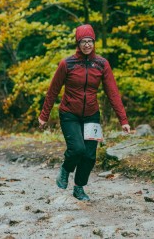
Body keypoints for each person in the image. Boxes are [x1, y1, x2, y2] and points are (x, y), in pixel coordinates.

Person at [38, 24, 130, 201]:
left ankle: (79, 188)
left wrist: (123, 120)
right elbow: (53, 90)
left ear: (94, 42)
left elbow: (113, 92)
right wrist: (44, 115)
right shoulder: (67, 64)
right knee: (77, 149)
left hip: (91, 115)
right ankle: (65, 170)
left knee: (89, 155)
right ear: (78, 43)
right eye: (83, 41)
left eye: (90, 41)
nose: (87, 45)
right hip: (69, 113)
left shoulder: (101, 64)